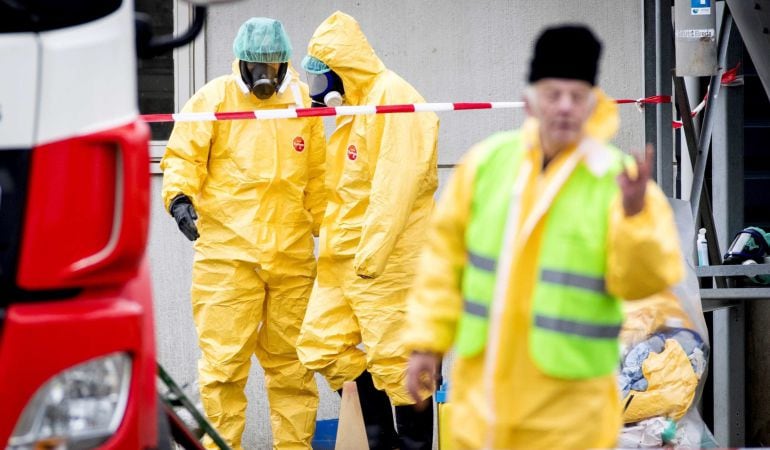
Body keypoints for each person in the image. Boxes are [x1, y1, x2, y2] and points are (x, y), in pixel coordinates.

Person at [404, 24, 684, 449]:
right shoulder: (485, 166)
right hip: (485, 403)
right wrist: (427, 343)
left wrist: (634, 219)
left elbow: (645, 282)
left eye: (577, 96)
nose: (566, 107)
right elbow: (443, 264)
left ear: (593, 104)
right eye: (554, 94)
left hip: (572, 411)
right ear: (529, 100)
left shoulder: (617, 181)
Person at [160, 17, 326, 450]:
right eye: (257, 67)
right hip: (228, 257)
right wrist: (180, 198)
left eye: (273, 67)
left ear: (286, 65)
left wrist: (335, 231)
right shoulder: (213, 98)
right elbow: (183, 156)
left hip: (291, 257)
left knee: (293, 367)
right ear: (242, 64)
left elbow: (318, 177)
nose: (265, 77)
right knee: (223, 369)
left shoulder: (301, 102)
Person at [294, 11, 439, 450]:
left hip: (390, 258)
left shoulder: (393, 97)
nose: (319, 91)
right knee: (322, 343)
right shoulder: (357, 107)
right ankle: (381, 439)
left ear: (342, 68)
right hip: (344, 260)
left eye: (321, 79)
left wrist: (373, 253)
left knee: (399, 361)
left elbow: (396, 184)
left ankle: (408, 445)